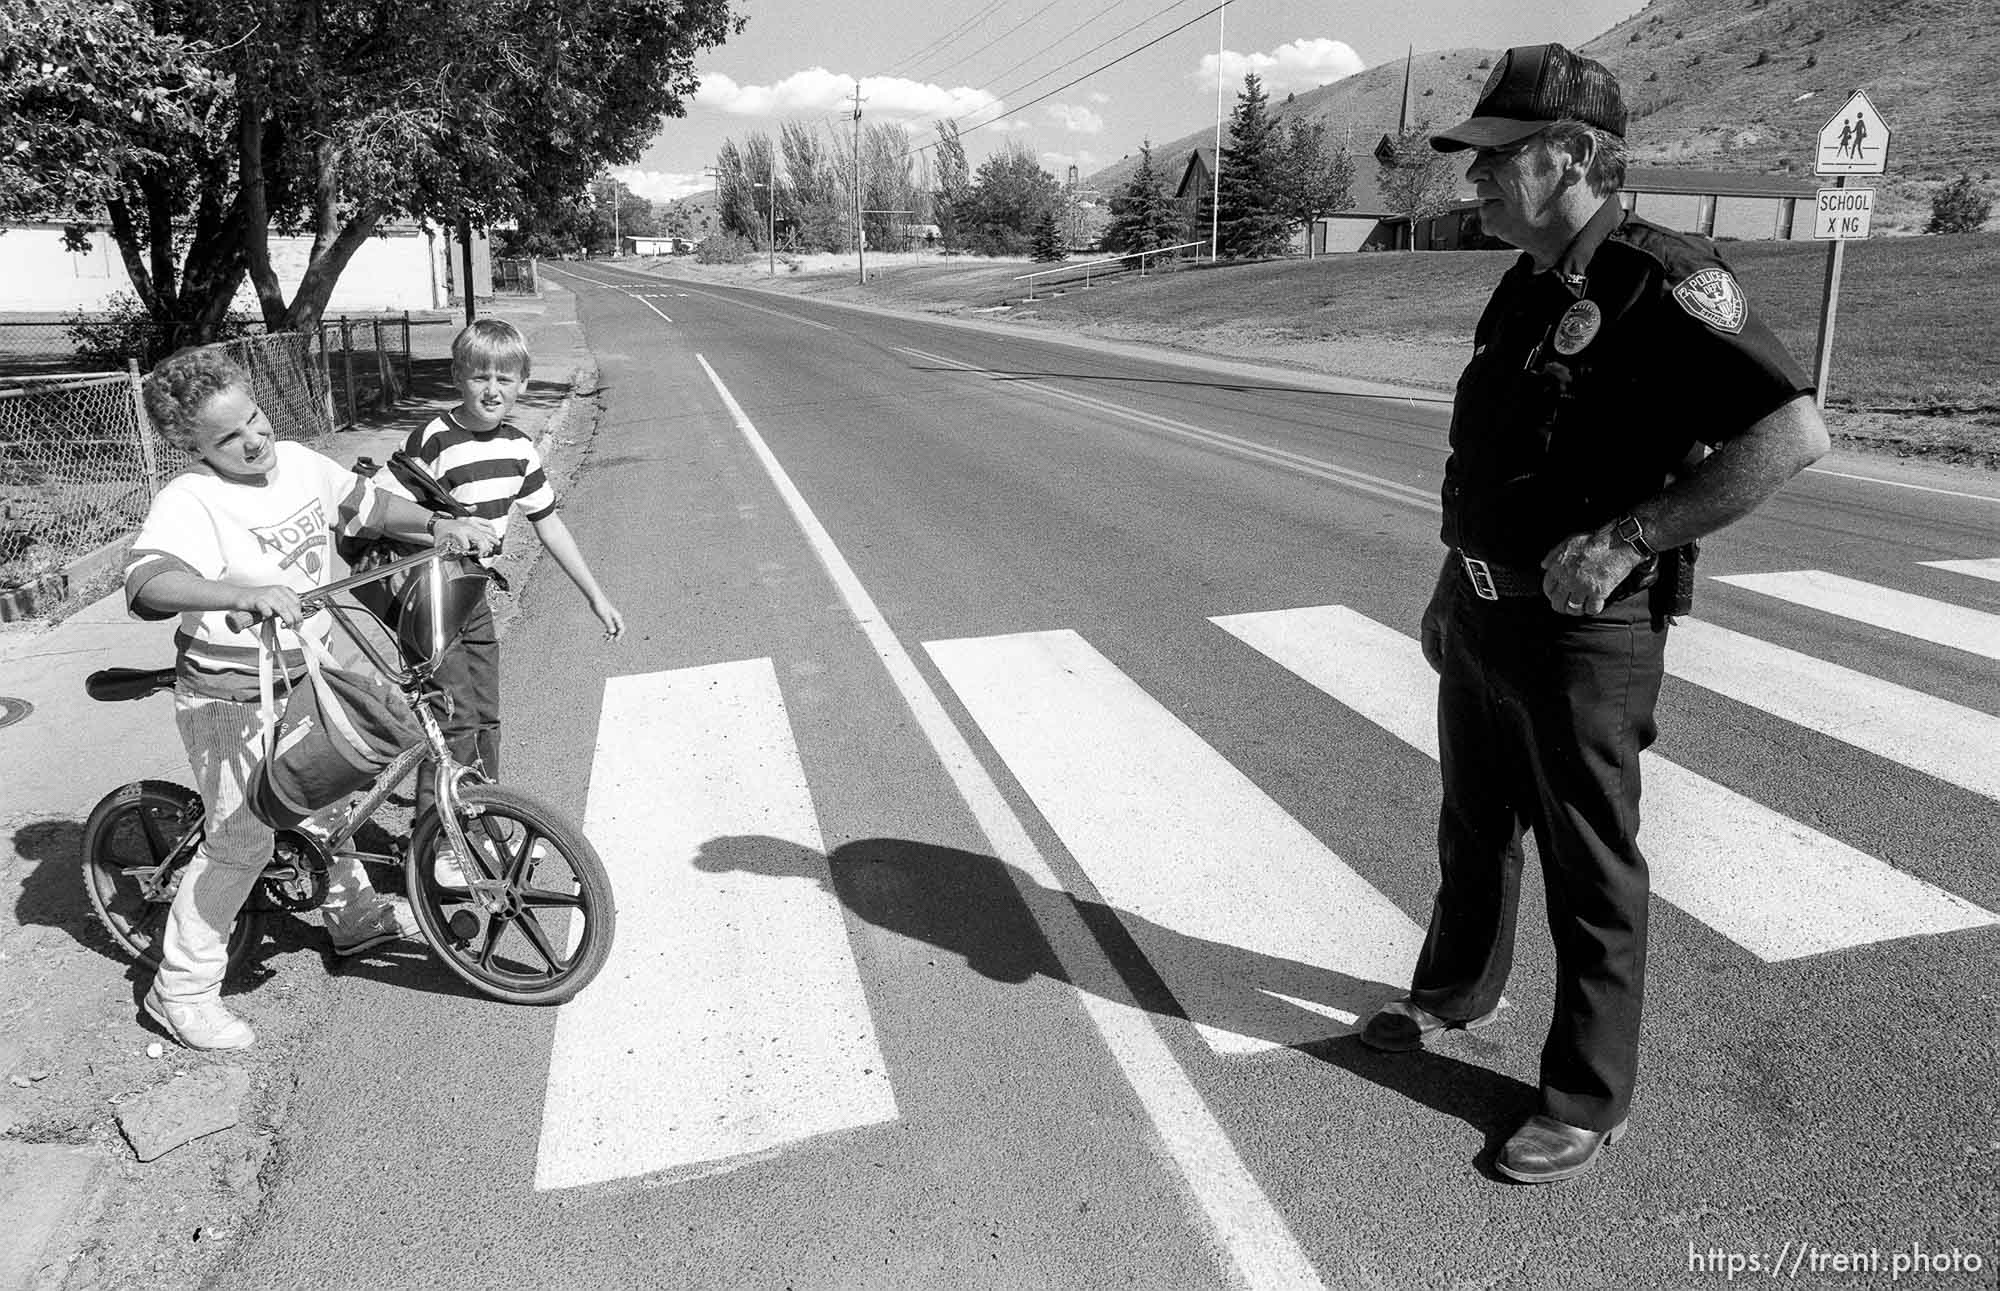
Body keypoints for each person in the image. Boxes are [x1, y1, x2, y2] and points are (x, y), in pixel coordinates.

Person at [1355, 43, 1830, 1184]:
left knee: (1587, 858)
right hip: (1482, 613)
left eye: (1493, 159)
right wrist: (1448, 581)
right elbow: (1497, 461)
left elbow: (1790, 432)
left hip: (1585, 633)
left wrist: (1629, 538)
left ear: (1571, 156)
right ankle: (1453, 992)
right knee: (1473, 824)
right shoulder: (1524, 283)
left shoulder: (1660, 280)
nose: (1471, 181)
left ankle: (1583, 1094)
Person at [126, 346, 499, 1051]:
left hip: (308, 672)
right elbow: (147, 584)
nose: (254, 439)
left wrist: (439, 524)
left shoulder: (298, 462)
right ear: (193, 446)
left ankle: (354, 921)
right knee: (239, 840)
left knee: (329, 799)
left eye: (256, 417)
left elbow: (370, 505)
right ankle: (180, 992)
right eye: (228, 436)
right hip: (228, 693)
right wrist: (240, 593)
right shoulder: (191, 500)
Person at [388, 319, 624, 877]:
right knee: (452, 719)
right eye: (480, 376)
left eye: (505, 377)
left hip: (473, 596)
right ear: (458, 377)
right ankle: (438, 841)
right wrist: (442, 529)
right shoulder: (432, 440)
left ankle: (479, 822)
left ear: (522, 383)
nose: (492, 389)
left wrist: (595, 595)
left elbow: (549, 525)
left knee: (487, 715)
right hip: (429, 598)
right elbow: (388, 515)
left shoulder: (520, 447)